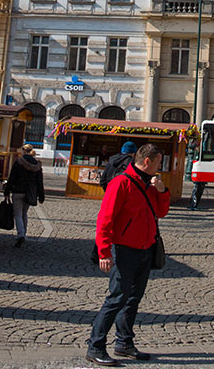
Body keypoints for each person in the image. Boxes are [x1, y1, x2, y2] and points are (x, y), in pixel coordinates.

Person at [87, 142, 170, 366]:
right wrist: (104, 252)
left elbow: (161, 212)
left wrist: (162, 191)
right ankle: (95, 345)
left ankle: (124, 342)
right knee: (116, 298)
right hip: (123, 249)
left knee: (133, 298)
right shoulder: (121, 183)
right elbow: (105, 219)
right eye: (159, 162)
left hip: (145, 248)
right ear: (147, 162)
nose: (160, 167)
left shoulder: (150, 185)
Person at [4, 144, 45, 248]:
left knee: (17, 214)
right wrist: (41, 195)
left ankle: (20, 234)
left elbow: (12, 177)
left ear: (23, 151)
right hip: (30, 192)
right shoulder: (37, 164)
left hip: (17, 191)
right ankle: (24, 233)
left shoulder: (18, 162)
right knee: (24, 213)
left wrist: (7, 190)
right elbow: (39, 181)